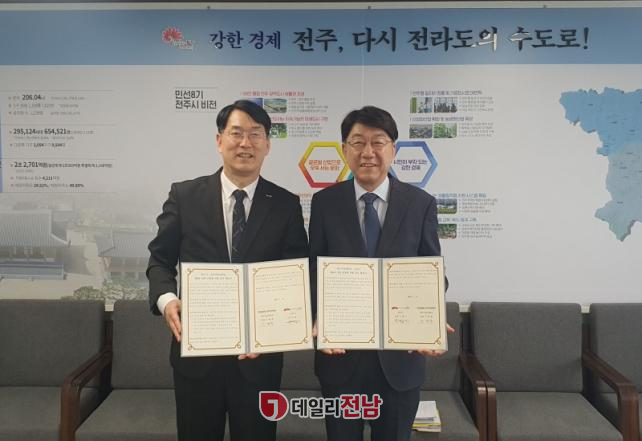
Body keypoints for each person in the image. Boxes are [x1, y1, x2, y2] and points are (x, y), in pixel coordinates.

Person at [147, 100, 308, 441]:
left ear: (267, 145)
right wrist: (166, 299)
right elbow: (160, 259)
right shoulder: (185, 196)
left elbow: (296, 275)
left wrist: (276, 330)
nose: (245, 143)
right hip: (196, 356)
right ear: (219, 141)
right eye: (236, 133)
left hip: (259, 360)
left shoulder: (285, 204)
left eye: (255, 134)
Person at [309, 105, 449, 441]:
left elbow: (432, 271)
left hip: (400, 361)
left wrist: (430, 314)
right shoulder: (325, 203)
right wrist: (317, 315)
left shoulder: (421, 204)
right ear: (345, 150)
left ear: (393, 150)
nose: (368, 152)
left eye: (378, 142)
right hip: (341, 358)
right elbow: (314, 268)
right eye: (358, 142)